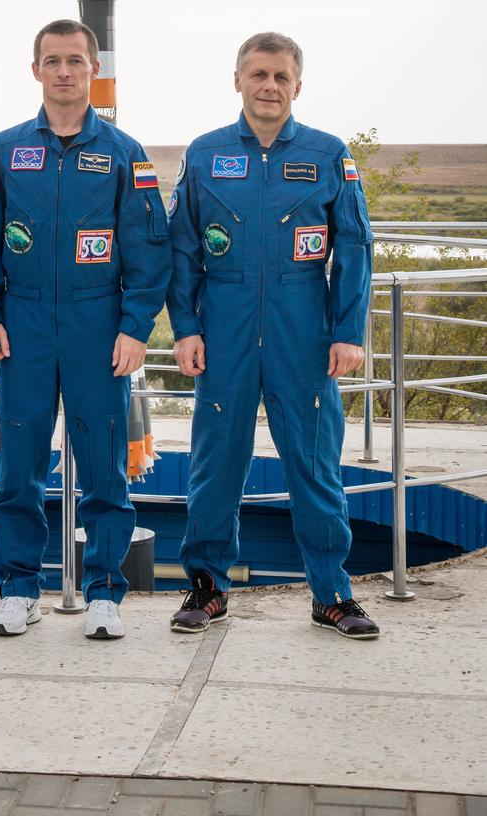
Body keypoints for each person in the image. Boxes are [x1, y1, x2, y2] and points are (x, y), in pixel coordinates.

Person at [167, 32, 380, 640]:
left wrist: (346, 331)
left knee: (314, 466)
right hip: (225, 335)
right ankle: (206, 585)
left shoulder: (328, 153)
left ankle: (332, 593)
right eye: (258, 74)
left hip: (303, 337)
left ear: (297, 86)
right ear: (237, 80)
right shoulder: (206, 155)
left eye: (281, 77)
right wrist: (185, 328)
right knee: (216, 464)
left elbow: (356, 250)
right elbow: (183, 250)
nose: (269, 86)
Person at [0, 19, 172, 640]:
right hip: (24, 328)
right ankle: (18, 589)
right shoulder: (6, 150)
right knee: (18, 468)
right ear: (35, 70)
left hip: (98, 327)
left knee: (105, 468)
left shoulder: (123, 153)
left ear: (93, 70)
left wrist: (135, 327)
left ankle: (104, 591)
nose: (64, 71)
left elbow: (149, 251)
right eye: (52, 60)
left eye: (75, 61)